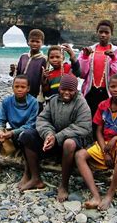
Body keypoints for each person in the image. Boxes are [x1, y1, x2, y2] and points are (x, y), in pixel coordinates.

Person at [17, 74, 92, 202]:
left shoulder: (81, 103)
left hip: (74, 141)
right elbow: (42, 119)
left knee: (69, 143)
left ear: (76, 90)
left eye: (70, 90)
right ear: (59, 89)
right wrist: (48, 134)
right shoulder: (53, 101)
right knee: (26, 135)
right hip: (54, 138)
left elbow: (83, 127)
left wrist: (57, 137)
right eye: (64, 89)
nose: (66, 93)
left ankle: (64, 184)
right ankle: (35, 178)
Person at [75, 74, 117, 210]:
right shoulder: (103, 106)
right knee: (79, 155)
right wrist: (105, 151)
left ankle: (109, 194)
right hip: (105, 142)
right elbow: (98, 131)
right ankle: (95, 195)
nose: (116, 90)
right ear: (108, 87)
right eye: (112, 86)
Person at [0, 75, 39, 173]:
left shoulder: (33, 103)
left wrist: (12, 133)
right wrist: (1, 131)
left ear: (28, 89)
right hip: (13, 135)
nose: (19, 89)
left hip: (28, 135)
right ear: (13, 87)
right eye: (17, 86)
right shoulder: (7, 101)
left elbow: (31, 124)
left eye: (23, 87)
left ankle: (28, 171)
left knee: (26, 135)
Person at [78, 20, 117, 118]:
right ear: (97, 32)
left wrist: (114, 59)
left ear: (111, 34)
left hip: (107, 93)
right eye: (101, 32)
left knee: (105, 121)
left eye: (106, 32)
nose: (103, 35)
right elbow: (82, 74)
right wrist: (85, 57)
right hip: (89, 92)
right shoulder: (89, 51)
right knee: (88, 119)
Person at [9, 29, 47, 103]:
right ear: (28, 42)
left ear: (42, 43)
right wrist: (13, 71)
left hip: (36, 95)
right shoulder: (23, 57)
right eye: (32, 41)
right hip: (21, 93)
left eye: (37, 42)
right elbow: (18, 74)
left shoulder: (44, 59)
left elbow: (45, 78)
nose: (35, 44)